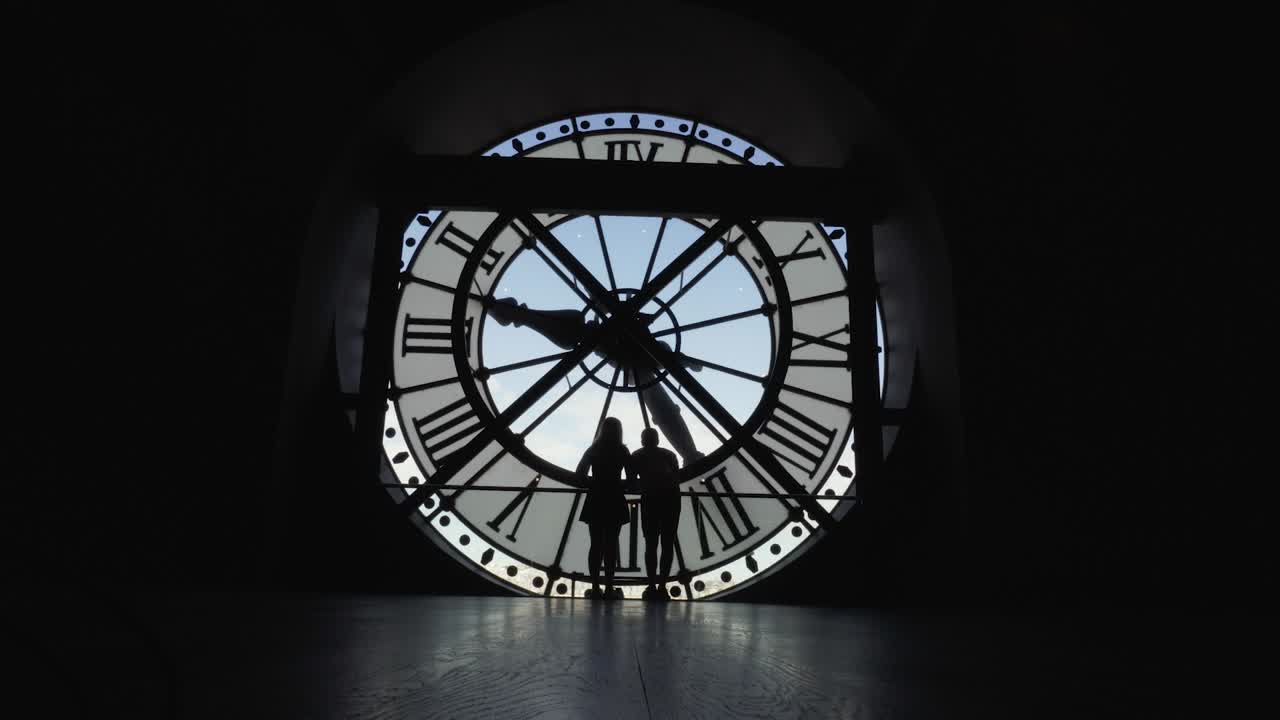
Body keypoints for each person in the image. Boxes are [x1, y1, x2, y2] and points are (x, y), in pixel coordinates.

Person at [575, 417, 633, 600]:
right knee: (610, 545)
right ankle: (609, 586)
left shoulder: (594, 450)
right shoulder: (622, 450)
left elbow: (580, 473)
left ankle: (595, 585)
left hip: (596, 498)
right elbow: (631, 476)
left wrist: (594, 482)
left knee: (596, 545)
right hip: (614, 498)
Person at [629, 428, 681, 600]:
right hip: (671, 501)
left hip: (650, 502)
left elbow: (631, 481)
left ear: (642, 440)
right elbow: (676, 477)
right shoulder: (669, 455)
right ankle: (661, 585)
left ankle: (652, 584)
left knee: (651, 544)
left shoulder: (636, 457)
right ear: (658, 440)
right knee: (667, 543)